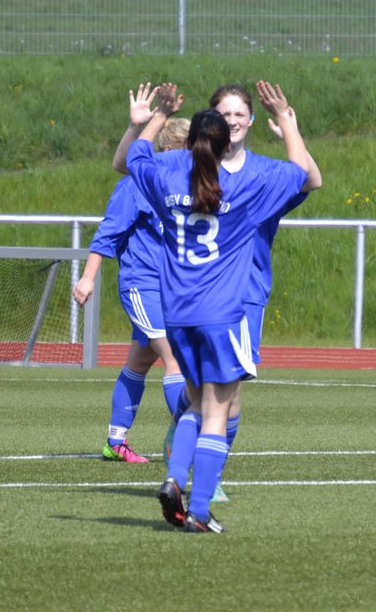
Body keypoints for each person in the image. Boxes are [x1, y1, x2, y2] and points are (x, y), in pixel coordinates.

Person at [127, 81, 321, 533]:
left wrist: (153, 119)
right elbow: (305, 174)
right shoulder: (250, 189)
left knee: (198, 406)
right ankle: (199, 510)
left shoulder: (170, 176)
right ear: (222, 134)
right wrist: (288, 122)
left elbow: (133, 159)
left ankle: (176, 477)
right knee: (220, 410)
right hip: (224, 313)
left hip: (178, 313)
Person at [72, 113, 192, 463]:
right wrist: (88, 276)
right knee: (175, 359)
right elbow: (110, 230)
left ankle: (115, 441)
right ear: (167, 149)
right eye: (188, 151)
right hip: (142, 284)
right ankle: (187, 445)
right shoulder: (138, 183)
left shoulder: (183, 186)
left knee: (139, 363)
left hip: (173, 288)